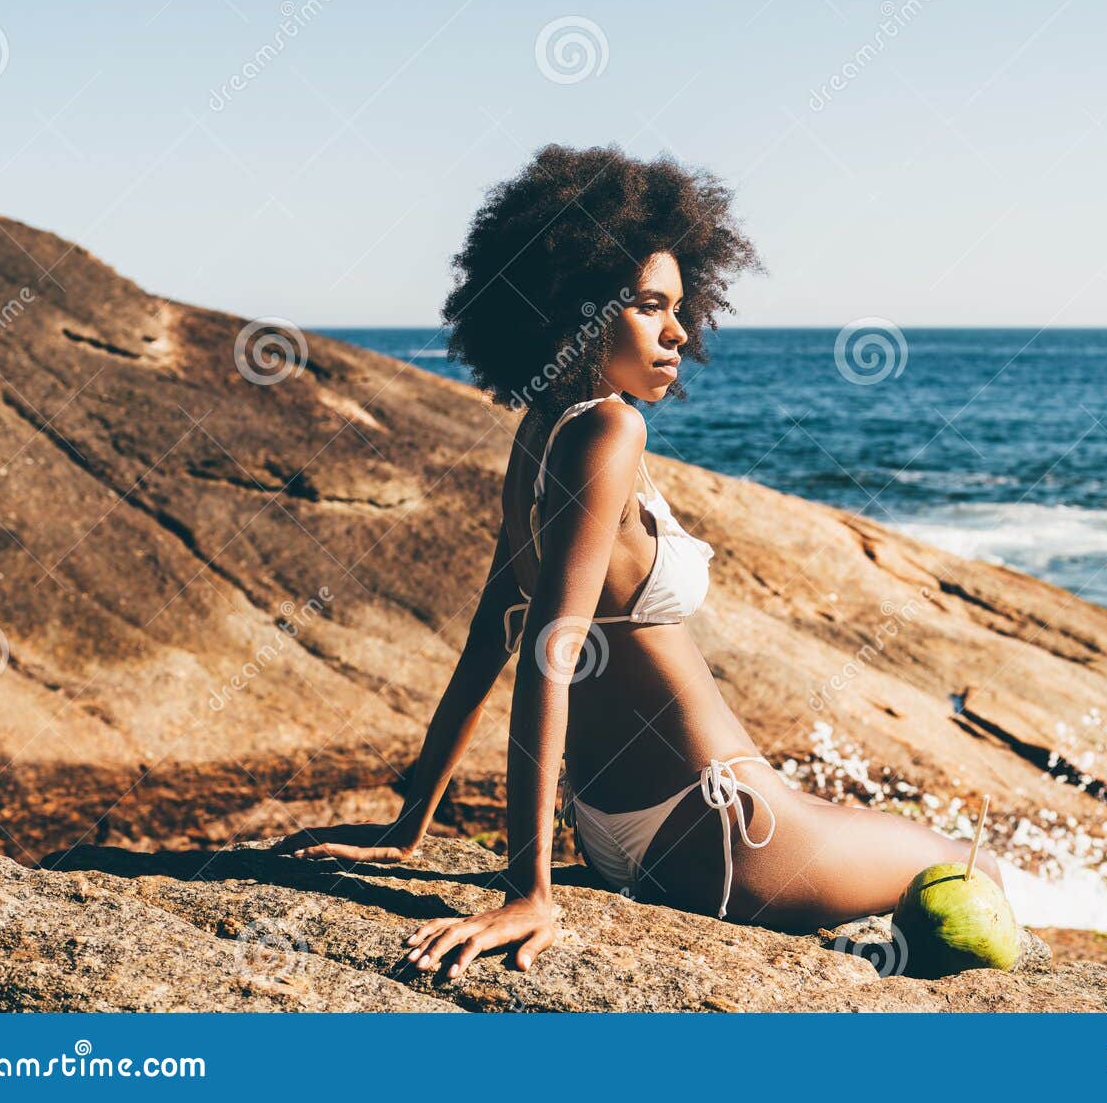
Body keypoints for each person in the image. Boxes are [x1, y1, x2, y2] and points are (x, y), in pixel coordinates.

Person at [276, 144, 1008, 980]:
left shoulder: (539, 429)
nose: (678, 332)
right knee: (975, 867)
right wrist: (527, 890)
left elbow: (494, 632)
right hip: (725, 831)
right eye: (649, 306)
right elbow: (548, 650)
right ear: (577, 308)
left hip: (619, 837)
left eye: (680, 307)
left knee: (877, 838)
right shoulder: (610, 428)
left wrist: (411, 823)